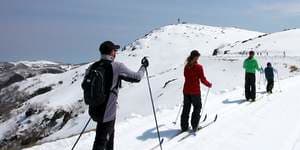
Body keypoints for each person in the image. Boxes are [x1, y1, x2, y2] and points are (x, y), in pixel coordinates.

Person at [87, 41, 149, 150]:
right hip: (108, 112)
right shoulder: (117, 66)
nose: (116, 52)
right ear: (111, 52)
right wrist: (143, 67)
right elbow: (137, 77)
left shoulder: (93, 66)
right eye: (115, 50)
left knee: (107, 138)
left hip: (95, 108)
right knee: (101, 142)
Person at [180, 50, 212, 132]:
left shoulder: (186, 66)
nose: (198, 58)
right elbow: (202, 79)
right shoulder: (199, 67)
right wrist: (209, 84)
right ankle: (195, 125)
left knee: (186, 108)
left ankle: (184, 126)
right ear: (195, 57)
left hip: (186, 90)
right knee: (197, 107)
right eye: (198, 56)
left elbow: (185, 76)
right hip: (195, 91)